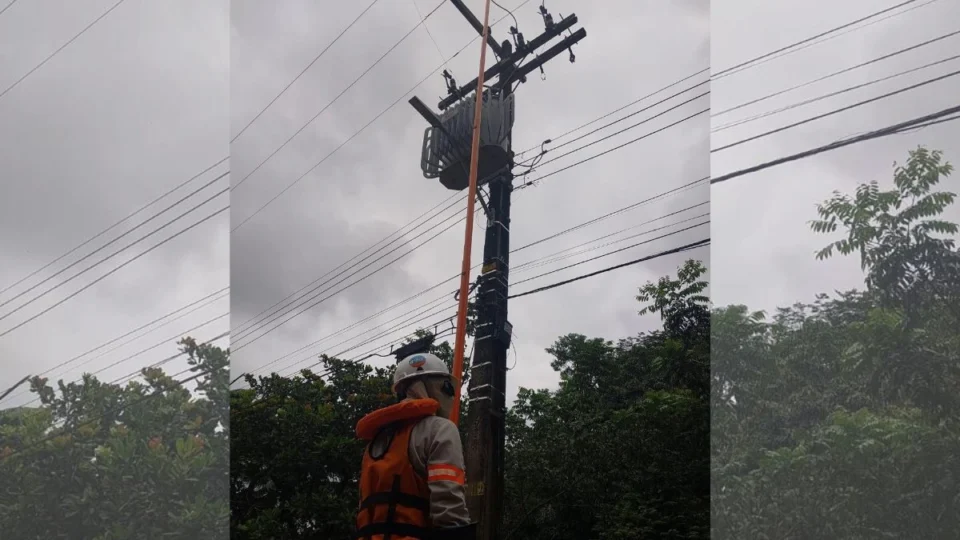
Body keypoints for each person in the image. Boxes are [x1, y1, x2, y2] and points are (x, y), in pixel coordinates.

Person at [354, 352, 476, 540]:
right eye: (447, 388)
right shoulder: (439, 429)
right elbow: (449, 507)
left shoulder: (377, 441)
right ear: (434, 386)